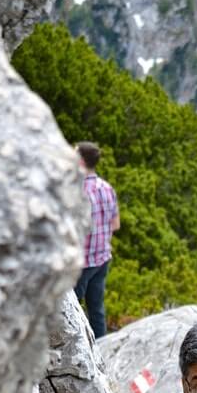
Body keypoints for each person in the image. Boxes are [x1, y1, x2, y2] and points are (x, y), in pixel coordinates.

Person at [74, 141, 119, 338]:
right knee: (96, 310)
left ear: (81, 161)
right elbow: (115, 224)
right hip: (102, 258)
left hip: (82, 262)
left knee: (70, 313)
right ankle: (101, 350)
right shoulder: (106, 187)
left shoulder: (77, 190)